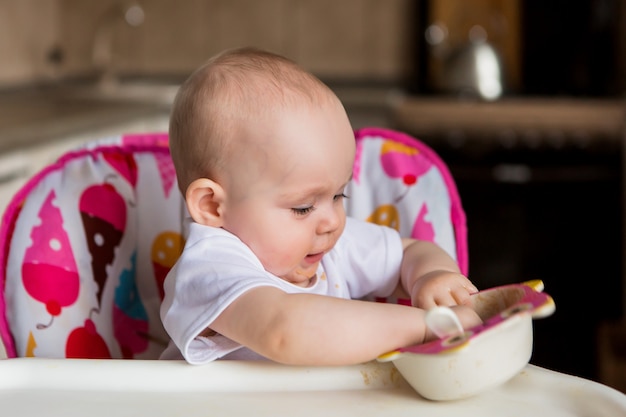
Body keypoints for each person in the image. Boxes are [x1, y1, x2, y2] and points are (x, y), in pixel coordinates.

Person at [160, 47, 481, 366]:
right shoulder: (209, 268)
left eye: (339, 196)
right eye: (302, 208)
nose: (332, 221)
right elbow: (284, 331)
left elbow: (410, 253)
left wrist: (431, 276)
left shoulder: (327, 245)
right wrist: (423, 328)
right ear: (213, 207)